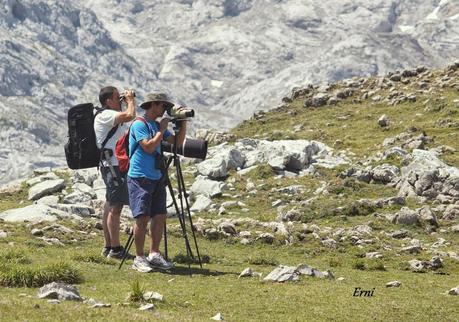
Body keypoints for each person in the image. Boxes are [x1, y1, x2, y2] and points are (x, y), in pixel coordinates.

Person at [128, 92, 187, 272]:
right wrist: (161, 130)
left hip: (156, 176)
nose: (164, 110)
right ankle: (139, 257)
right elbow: (148, 146)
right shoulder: (140, 124)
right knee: (142, 217)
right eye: (162, 106)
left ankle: (154, 254)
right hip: (140, 176)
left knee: (159, 216)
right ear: (153, 105)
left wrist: (182, 121)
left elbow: (178, 142)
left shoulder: (155, 124)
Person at [94, 86, 136, 259]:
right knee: (116, 206)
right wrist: (130, 100)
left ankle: (108, 246)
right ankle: (116, 250)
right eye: (117, 98)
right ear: (108, 101)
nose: (121, 100)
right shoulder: (106, 115)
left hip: (110, 164)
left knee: (110, 205)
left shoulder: (106, 116)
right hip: (113, 166)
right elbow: (130, 115)